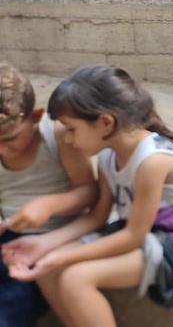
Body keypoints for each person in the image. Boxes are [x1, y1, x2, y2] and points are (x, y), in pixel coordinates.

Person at [2, 66, 173, 327]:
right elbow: (97, 217)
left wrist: (60, 257)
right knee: (47, 270)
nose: (68, 139)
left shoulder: (152, 162)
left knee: (75, 278)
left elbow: (134, 236)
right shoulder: (109, 155)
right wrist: (43, 245)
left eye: (71, 129)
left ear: (105, 123)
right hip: (130, 235)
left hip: (168, 248)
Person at [0, 63, 97, 327]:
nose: (3, 150)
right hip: (9, 236)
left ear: (36, 116)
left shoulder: (58, 135)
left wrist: (49, 205)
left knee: (8, 311)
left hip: (53, 239)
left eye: (11, 138)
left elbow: (90, 191)